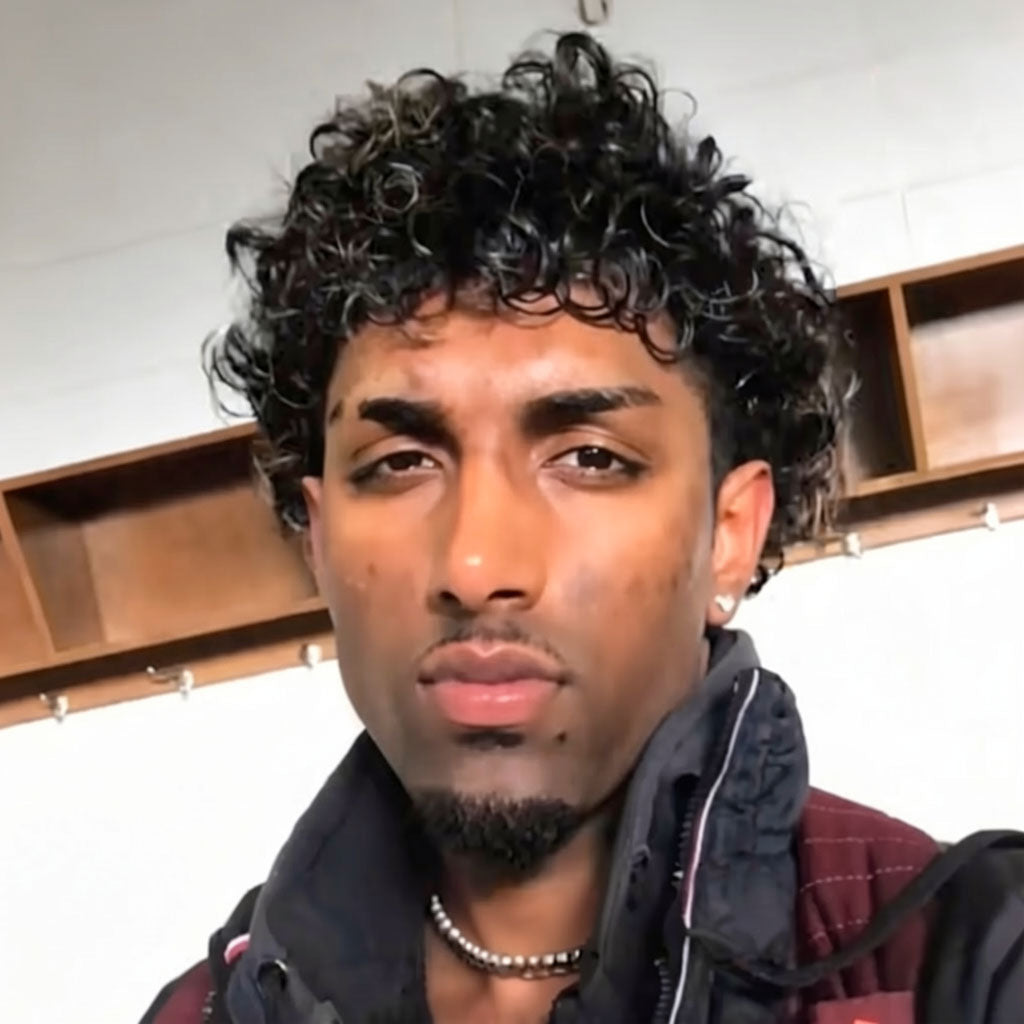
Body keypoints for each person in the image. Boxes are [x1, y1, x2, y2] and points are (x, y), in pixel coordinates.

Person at [142, 32, 1023, 1024]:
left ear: (730, 532)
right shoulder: (207, 1010)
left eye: (590, 458)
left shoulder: (956, 960)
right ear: (318, 541)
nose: (476, 563)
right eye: (400, 463)